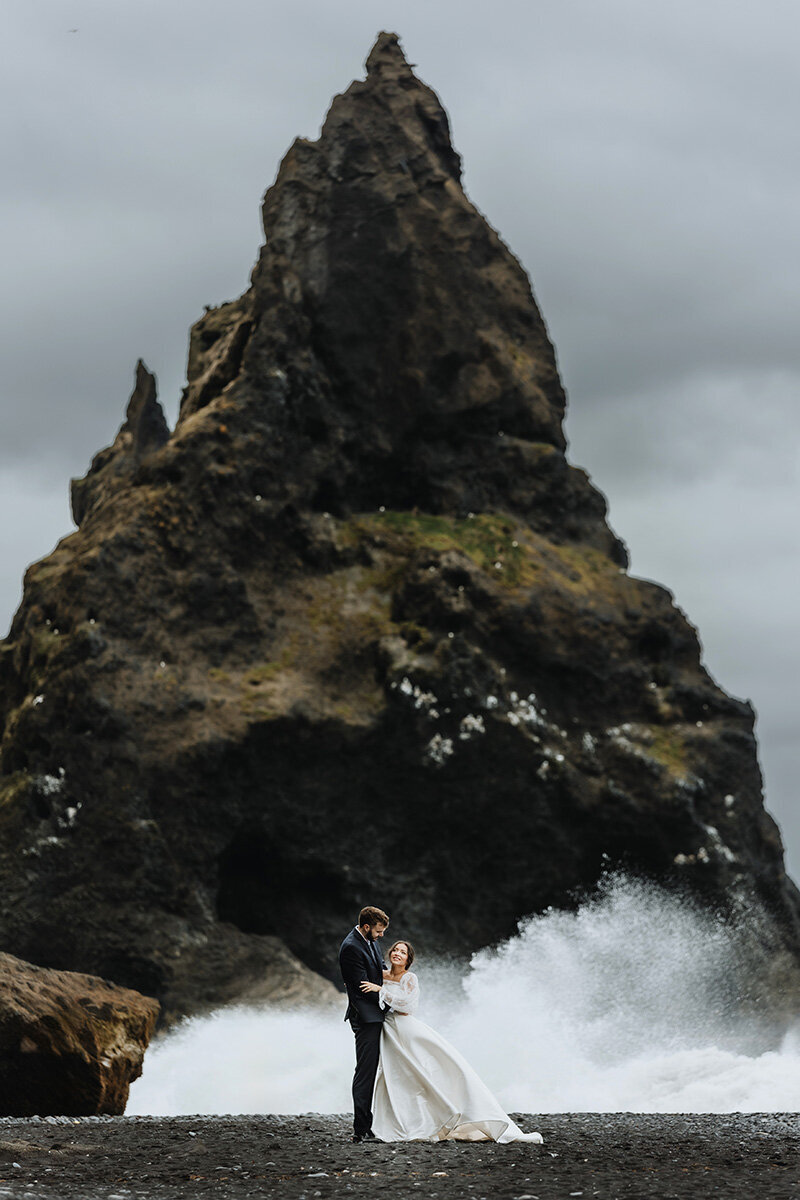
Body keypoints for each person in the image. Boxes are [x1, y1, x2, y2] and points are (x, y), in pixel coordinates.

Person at [360, 940, 543, 1144]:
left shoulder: (409, 977)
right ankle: (400, 1122)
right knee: (396, 1076)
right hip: (388, 1030)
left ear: (408, 959)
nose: (397, 953)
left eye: (403, 952)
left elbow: (408, 1006)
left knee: (428, 1069)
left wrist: (381, 991)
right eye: (395, 950)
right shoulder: (381, 975)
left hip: (407, 1028)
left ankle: (450, 1114)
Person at [338, 905, 390, 1142]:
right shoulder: (351, 947)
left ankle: (372, 1125)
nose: (381, 936)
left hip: (378, 1013)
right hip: (366, 1017)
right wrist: (391, 998)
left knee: (374, 1070)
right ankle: (361, 1130)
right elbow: (362, 987)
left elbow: (380, 971)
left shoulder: (371, 941)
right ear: (366, 927)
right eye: (378, 931)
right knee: (365, 1072)